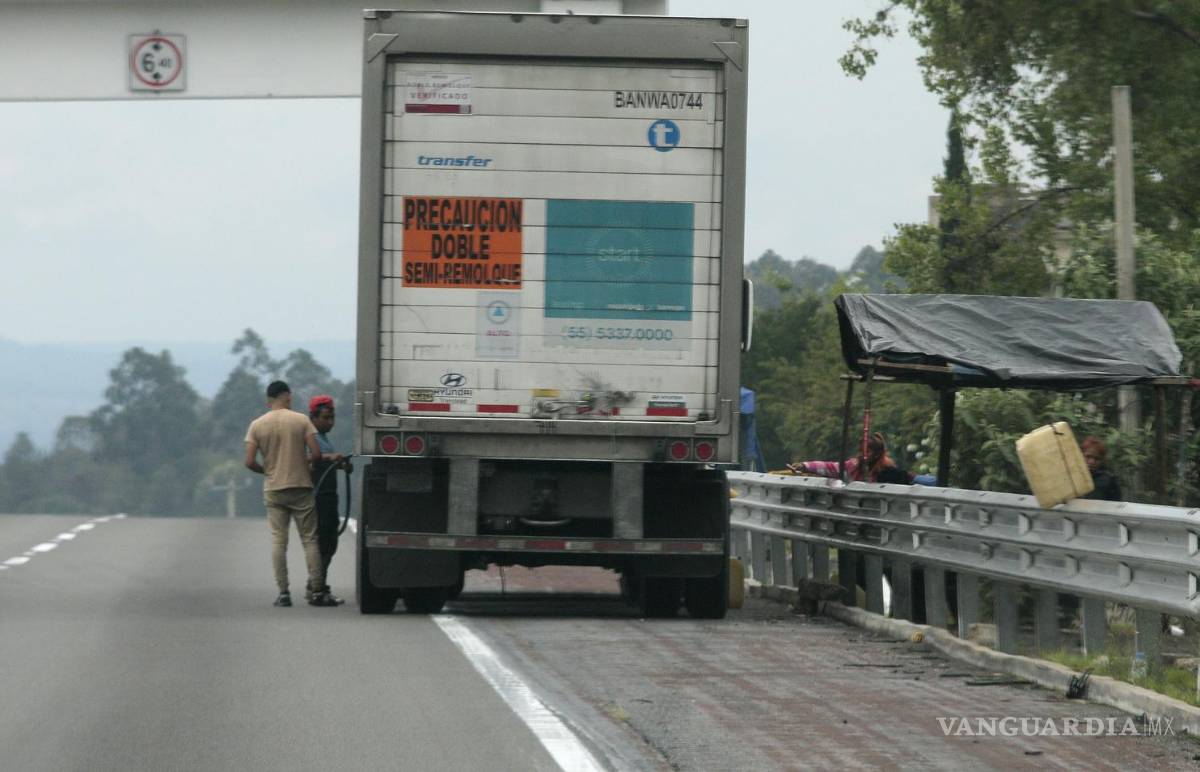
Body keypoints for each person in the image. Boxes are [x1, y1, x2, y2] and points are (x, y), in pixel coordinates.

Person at [244, 380, 337, 607]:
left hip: (274, 488)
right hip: (301, 487)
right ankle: (316, 590)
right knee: (309, 540)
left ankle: (284, 593)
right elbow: (315, 454)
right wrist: (306, 467)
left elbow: (249, 462)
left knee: (279, 540)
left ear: (269, 400)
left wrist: (268, 471)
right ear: (288, 397)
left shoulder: (257, 425)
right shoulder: (301, 420)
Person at [307, 394, 351, 604]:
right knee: (324, 542)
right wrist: (328, 458)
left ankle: (317, 583)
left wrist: (342, 464)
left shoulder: (324, 439)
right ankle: (316, 587)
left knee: (330, 542)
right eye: (325, 417)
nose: (330, 422)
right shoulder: (310, 437)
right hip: (318, 496)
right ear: (313, 418)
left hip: (329, 496)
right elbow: (305, 459)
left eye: (332, 417)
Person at [788, 432, 910, 483]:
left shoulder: (888, 472)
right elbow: (829, 467)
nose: (863, 454)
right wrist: (805, 466)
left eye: (867, 451)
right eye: (861, 450)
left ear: (877, 454)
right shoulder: (852, 467)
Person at [1080, 435, 1122, 501]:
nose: (1092, 462)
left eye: (1097, 459)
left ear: (1102, 460)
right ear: (1080, 455)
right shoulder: (1071, 477)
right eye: (1088, 457)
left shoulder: (1109, 481)